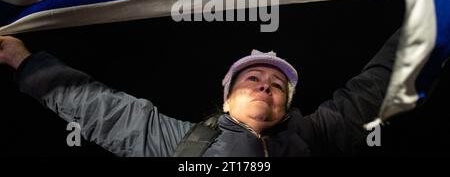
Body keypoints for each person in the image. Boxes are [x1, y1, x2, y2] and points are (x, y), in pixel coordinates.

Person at [0, 29, 400, 156]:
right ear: (227, 99)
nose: (266, 84)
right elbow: (102, 108)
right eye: (252, 79)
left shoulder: (318, 134)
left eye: (277, 85)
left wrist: (434, 20)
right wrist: (25, 60)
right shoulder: (182, 144)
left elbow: (378, 84)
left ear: (286, 105)